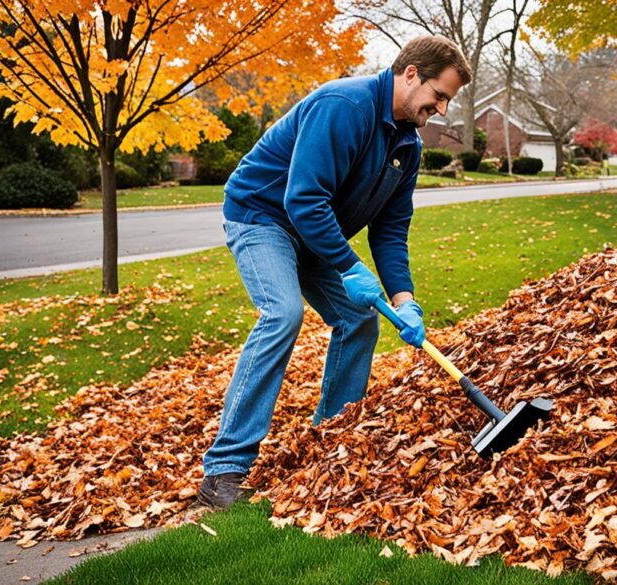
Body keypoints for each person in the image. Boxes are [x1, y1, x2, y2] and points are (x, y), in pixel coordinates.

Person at [197, 36, 473, 509]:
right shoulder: (343, 105)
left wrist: (405, 299)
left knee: (359, 318)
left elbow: (391, 229)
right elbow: (302, 200)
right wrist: (348, 265)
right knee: (282, 314)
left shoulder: (406, 143)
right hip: (263, 216)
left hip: (315, 231)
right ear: (411, 75)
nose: (443, 109)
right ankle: (223, 470)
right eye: (440, 95)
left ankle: (328, 444)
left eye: (447, 100)